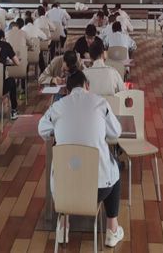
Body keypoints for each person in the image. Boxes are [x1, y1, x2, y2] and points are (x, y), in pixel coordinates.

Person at [38, 71, 124, 248]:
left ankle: (63, 226)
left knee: (66, 169)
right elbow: (116, 132)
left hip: (63, 191)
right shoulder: (100, 103)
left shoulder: (57, 106)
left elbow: (42, 130)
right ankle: (112, 230)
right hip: (99, 189)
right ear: (87, 86)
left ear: (67, 90)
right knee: (113, 167)